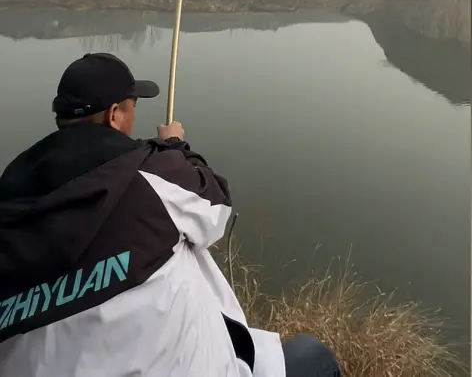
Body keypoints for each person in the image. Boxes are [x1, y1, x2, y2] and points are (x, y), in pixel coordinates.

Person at [0, 52, 341, 377]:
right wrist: (176, 149)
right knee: (313, 357)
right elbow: (216, 210)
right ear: (114, 115)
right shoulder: (151, 175)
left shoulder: (12, 194)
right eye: (132, 107)